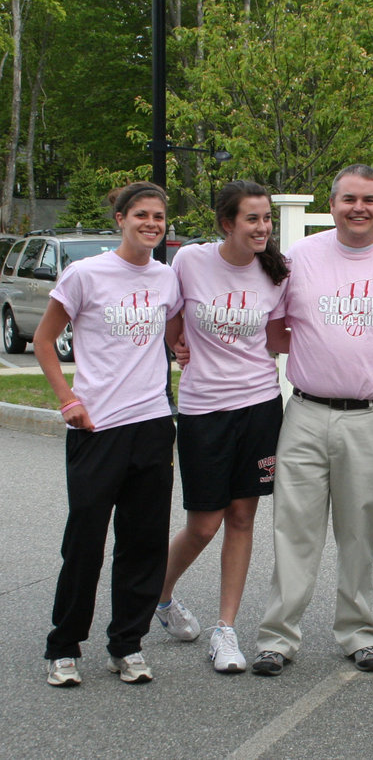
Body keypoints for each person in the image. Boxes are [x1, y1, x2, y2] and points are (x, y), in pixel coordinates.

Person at [252, 164, 373, 676]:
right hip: (307, 412)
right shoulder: (300, 259)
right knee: (293, 528)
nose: (358, 208)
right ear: (333, 203)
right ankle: (277, 638)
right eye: (348, 200)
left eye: (369, 200)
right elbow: (273, 328)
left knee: (359, 532)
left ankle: (359, 633)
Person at [34, 182, 183, 686]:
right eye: (141, 214)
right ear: (120, 219)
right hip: (98, 427)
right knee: (85, 541)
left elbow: (174, 333)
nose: (151, 223)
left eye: (159, 216)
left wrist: (182, 350)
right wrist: (67, 399)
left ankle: (127, 645)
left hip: (153, 425)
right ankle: (63, 647)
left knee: (143, 543)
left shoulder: (167, 280)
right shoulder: (85, 274)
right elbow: (44, 339)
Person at [154, 180, 289, 673]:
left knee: (242, 517)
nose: (263, 227)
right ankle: (161, 596)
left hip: (259, 405)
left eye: (267, 218)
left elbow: (277, 335)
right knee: (204, 523)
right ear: (227, 222)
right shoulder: (190, 261)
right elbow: (171, 315)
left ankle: (225, 631)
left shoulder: (276, 273)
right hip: (203, 409)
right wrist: (176, 346)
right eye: (252, 218)